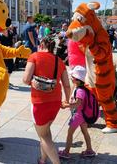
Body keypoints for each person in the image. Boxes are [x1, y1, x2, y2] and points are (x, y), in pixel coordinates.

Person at [22, 36, 71, 164]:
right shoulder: (59, 61)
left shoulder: (34, 56)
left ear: (42, 44)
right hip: (55, 101)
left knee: (43, 136)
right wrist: (67, 100)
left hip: (40, 102)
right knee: (46, 131)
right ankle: (43, 159)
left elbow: (26, 79)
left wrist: (34, 81)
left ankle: (56, 162)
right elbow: (66, 84)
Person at [58, 66, 97, 159]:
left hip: (78, 116)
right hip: (83, 115)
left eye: (73, 77)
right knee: (85, 132)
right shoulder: (83, 88)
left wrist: (65, 106)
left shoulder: (80, 91)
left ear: (78, 80)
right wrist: (68, 102)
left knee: (70, 133)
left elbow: (77, 104)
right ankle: (90, 150)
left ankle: (66, 152)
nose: (71, 78)